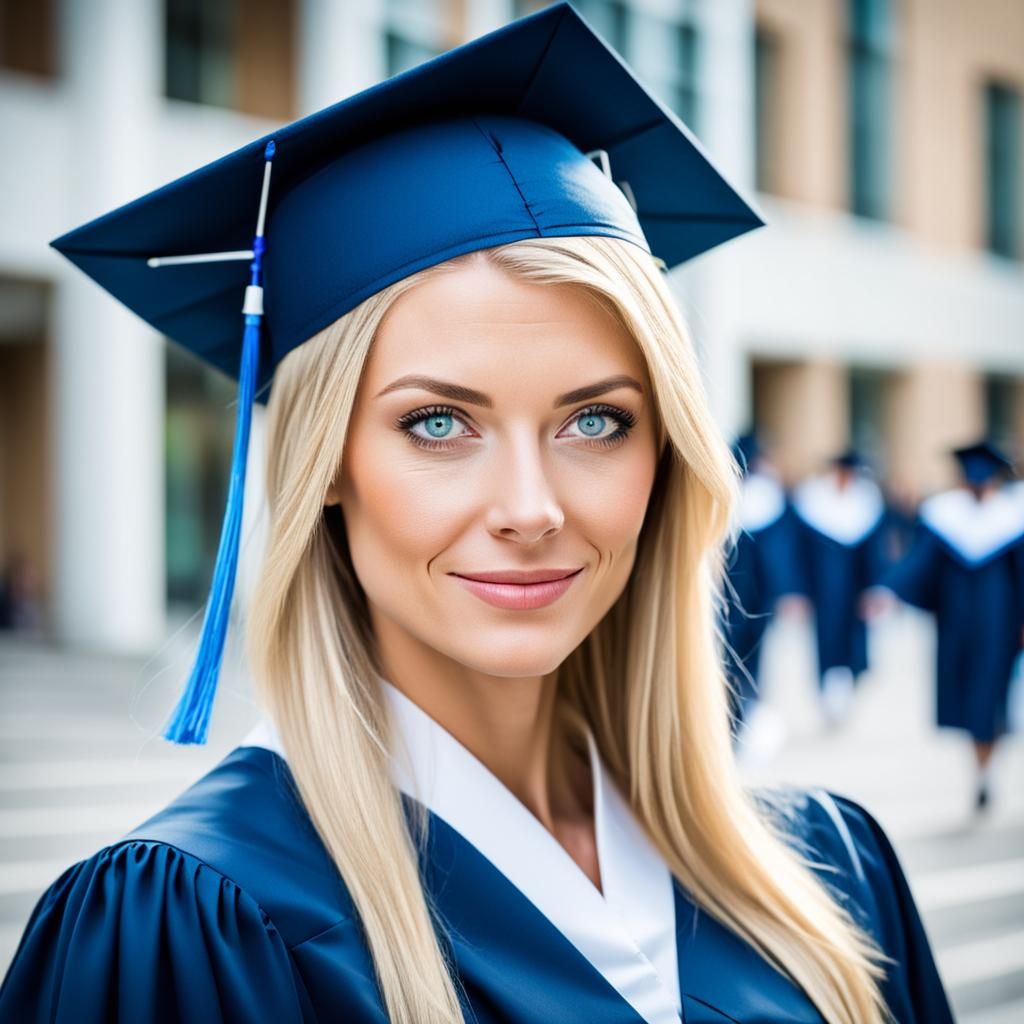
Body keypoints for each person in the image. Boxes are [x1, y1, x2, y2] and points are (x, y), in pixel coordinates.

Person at [0, 5, 952, 1023]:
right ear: (326, 464)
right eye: (439, 423)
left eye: (595, 421)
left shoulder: (825, 877)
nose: (530, 510)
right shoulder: (192, 927)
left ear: (667, 455)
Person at [873, 440, 1024, 811]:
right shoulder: (945, 517)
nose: (977, 486)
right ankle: (980, 766)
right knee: (969, 700)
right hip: (956, 627)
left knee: (989, 700)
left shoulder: (1012, 518)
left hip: (1000, 628)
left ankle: (985, 768)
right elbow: (919, 563)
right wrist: (888, 590)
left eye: (983, 481)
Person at [721, 433, 806, 755]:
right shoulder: (761, 499)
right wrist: (787, 591)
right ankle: (737, 719)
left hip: (740, 598)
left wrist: (787, 591)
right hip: (744, 598)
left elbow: (781, 552)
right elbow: (780, 554)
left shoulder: (762, 500)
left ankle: (739, 720)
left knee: (737, 659)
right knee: (741, 660)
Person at [792, 449, 889, 727]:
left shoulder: (866, 505)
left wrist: (877, 588)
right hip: (821, 591)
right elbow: (798, 553)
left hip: (856, 591)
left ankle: (847, 691)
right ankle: (827, 695)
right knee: (825, 640)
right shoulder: (813, 504)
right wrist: (797, 591)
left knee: (854, 643)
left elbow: (876, 553)